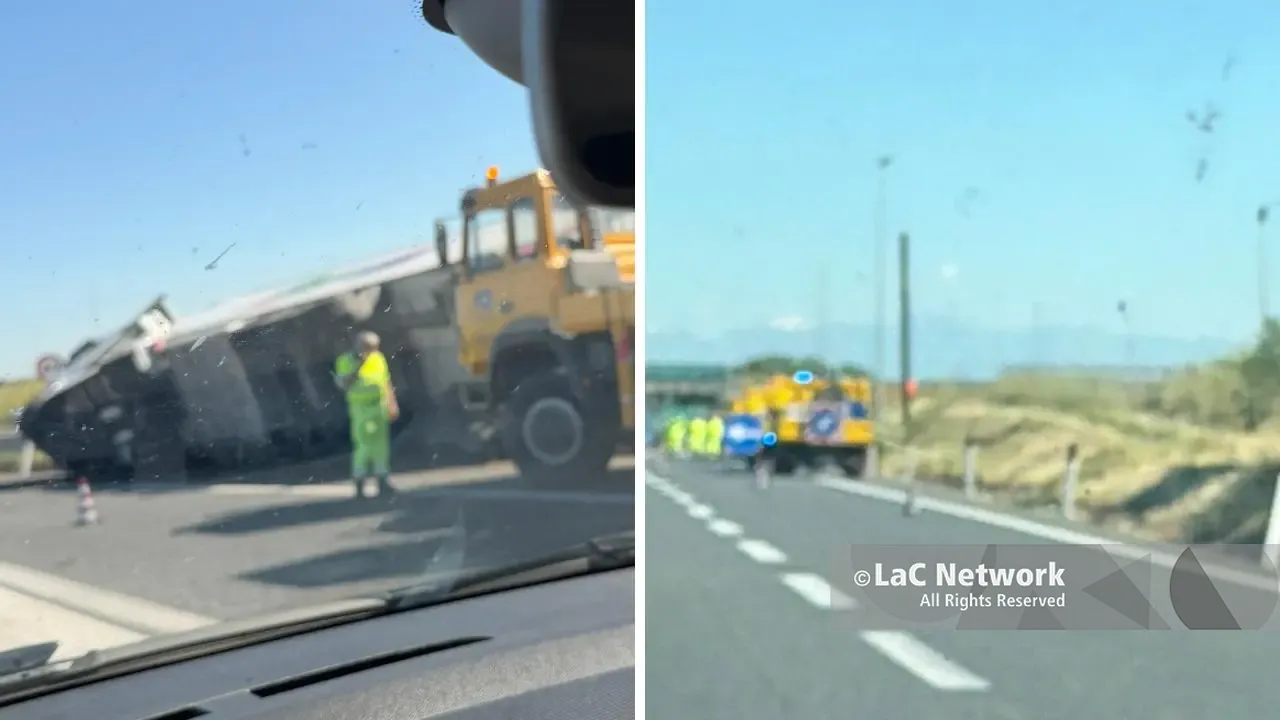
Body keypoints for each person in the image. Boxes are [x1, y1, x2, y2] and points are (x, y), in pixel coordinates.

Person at [335, 331, 399, 498]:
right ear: (358, 345)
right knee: (364, 445)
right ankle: (360, 480)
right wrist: (359, 365)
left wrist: (392, 403)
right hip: (361, 408)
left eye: (374, 347)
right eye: (368, 347)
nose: (371, 351)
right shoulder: (345, 361)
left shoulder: (378, 358)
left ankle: (382, 478)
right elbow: (343, 384)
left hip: (379, 406)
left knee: (381, 445)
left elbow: (386, 381)